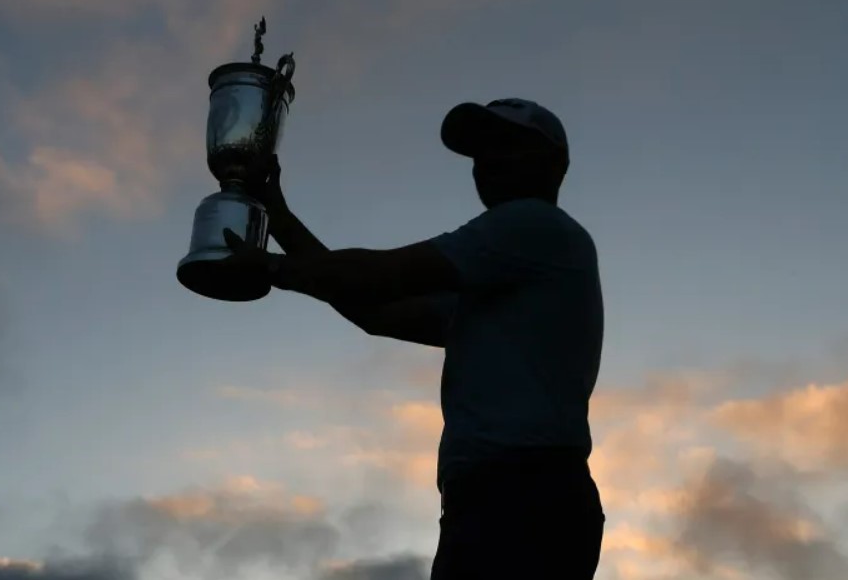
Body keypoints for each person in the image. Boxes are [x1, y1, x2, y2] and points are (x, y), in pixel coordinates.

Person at [222, 98, 605, 578]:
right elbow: (374, 310)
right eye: (479, 152)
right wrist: (276, 217)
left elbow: (378, 277)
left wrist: (275, 267)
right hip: (510, 500)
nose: (485, 162)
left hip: (519, 498)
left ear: (550, 162)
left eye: (503, 145)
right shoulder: (501, 280)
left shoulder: (532, 225)